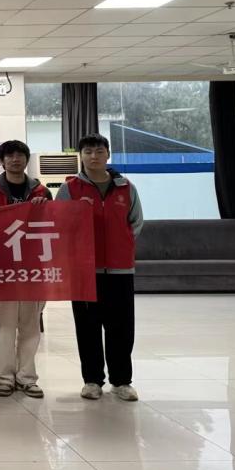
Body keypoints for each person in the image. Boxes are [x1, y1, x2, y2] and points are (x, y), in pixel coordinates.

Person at [57, 133, 143, 402]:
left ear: (108, 154)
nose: (93, 156)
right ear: (80, 156)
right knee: (88, 327)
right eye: (88, 152)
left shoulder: (126, 187)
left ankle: (122, 381)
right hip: (85, 271)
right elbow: (60, 225)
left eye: (99, 151)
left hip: (120, 270)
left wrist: (121, 245)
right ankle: (92, 380)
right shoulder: (70, 189)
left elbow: (136, 223)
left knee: (121, 328)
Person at [0, 139, 52, 399]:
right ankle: (5, 378)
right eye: (9, 156)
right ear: (2, 161)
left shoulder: (42, 192)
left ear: (26, 159)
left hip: (32, 269)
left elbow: (51, 226)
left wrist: (42, 211)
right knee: (5, 327)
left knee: (30, 326)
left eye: (20, 155)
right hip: (2, 268)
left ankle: (27, 378)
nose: (15, 160)